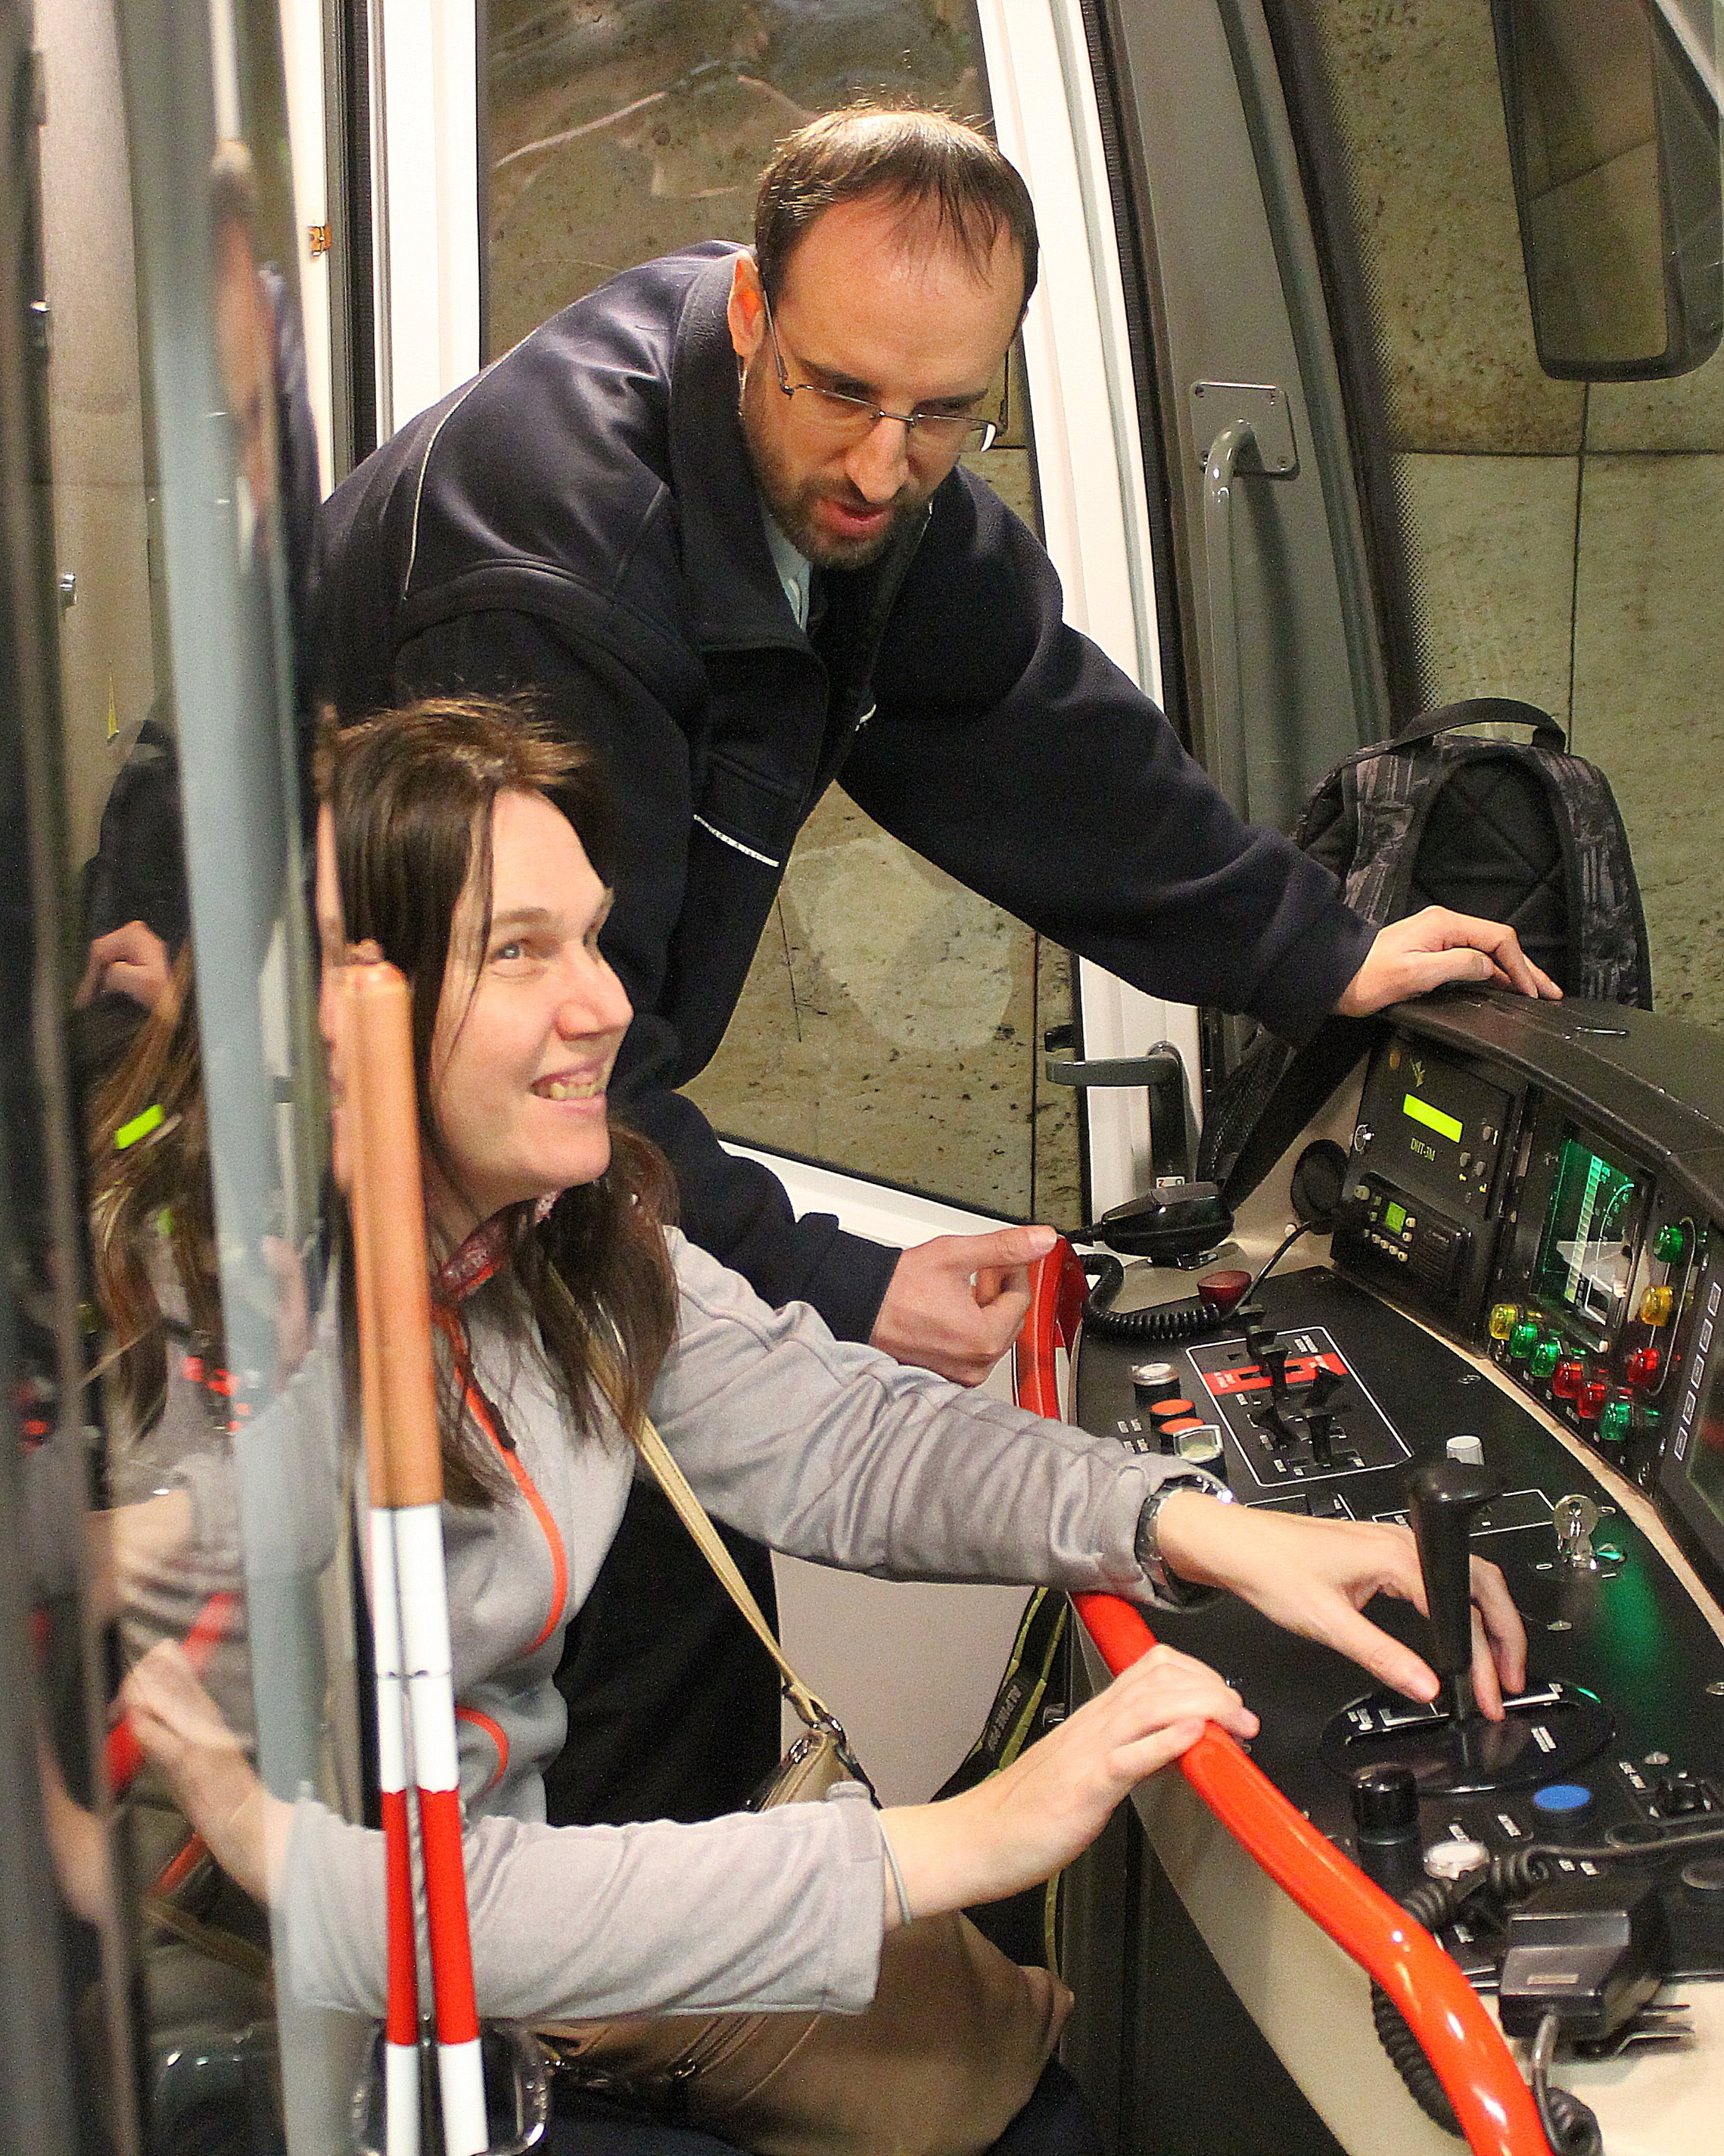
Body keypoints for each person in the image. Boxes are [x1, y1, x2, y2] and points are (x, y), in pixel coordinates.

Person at [311, 107, 1558, 1824]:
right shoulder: (550, 582)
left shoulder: (863, 476)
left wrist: (1316, 949)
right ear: (745, 306)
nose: (885, 467)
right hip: (315, 1170)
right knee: (641, 1625)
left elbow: (1038, 733)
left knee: (702, 1563)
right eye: (841, 394)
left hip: (506, 1160)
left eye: (946, 414)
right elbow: (572, 1064)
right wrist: (960, 1849)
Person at [123, 700, 1524, 2152]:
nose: (602, 1006)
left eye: (593, 939)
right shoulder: (229, 1369)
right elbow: (367, 1904)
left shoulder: (545, 1243)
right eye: (518, 952)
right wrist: (955, 1844)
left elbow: (840, 1435)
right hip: (292, 2047)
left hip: (474, 1978)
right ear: (339, 1022)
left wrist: (1187, 1522)